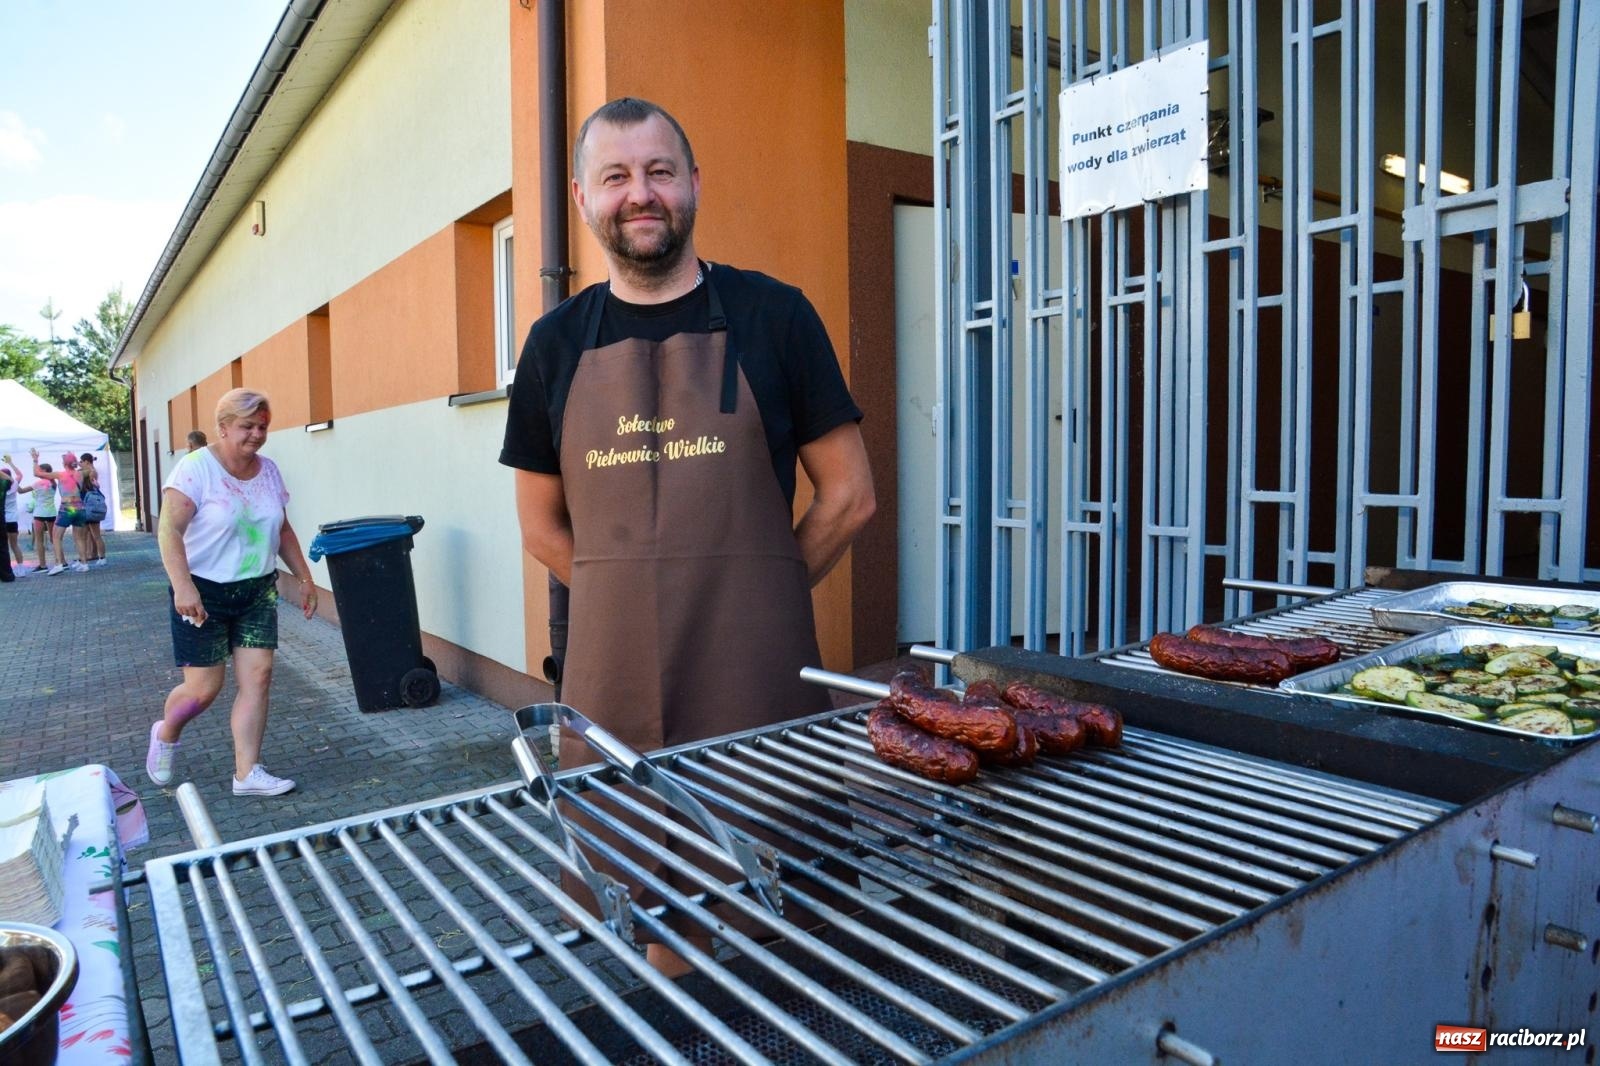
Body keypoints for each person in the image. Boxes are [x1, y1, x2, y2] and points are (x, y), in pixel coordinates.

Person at [499, 97, 875, 972]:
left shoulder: (777, 316)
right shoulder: (553, 345)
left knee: (786, 903)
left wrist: (759, 592)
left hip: (760, 675)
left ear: (694, 184)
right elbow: (539, 524)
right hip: (614, 680)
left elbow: (850, 496)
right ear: (584, 199)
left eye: (660, 171)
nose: (641, 193)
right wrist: (628, 598)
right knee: (652, 907)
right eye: (616, 177)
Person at [147, 388, 317, 797]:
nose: (257, 434)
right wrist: (183, 586)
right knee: (203, 689)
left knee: (259, 677)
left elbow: (282, 528)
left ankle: (247, 773)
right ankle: (167, 732)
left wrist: (304, 577)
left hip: (257, 592)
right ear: (222, 428)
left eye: (263, 427)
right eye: (247, 426)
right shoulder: (195, 470)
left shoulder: (269, 471)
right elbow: (169, 530)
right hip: (203, 593)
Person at [32, 448, 89, 573]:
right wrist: (79, 463)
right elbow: (91, 470)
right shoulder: (80, 474)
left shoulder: (60, 474)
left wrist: (35, 460)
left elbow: (37, 473)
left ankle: (59, 564)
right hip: (80, 507)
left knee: (56, 536)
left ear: (64, 464)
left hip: (68, 507)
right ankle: (84, 564)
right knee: (79, 537)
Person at [25, 460, 58, 572]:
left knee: (39, 541)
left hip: (39, 513)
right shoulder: (53, 483)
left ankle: (43, 565)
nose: (37, 471)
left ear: (44, 471)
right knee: (55, 539)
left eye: (39, 469)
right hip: (51, 513)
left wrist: (14, 482)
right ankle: (60, 562)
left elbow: (21, 491)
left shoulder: (38, 483)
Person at [76, 452, 108, 565]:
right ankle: (89, 555)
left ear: (86, 461)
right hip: (87, 505)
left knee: (96, 534)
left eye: (81, 461)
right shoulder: (87, 471)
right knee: (86, 534)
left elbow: (93, 486)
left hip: (90, 506)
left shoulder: (91, 472)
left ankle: (101, 557)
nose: (80, 463)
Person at [1, 455, 26, 574]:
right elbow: (20, 475)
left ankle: (6, 569)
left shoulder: (1, 489)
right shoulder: (14, 485)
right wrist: (10, 463)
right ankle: (21, 569)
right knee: (14, 545)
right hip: (12, 520)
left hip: (2, 520)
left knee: (3, 546)